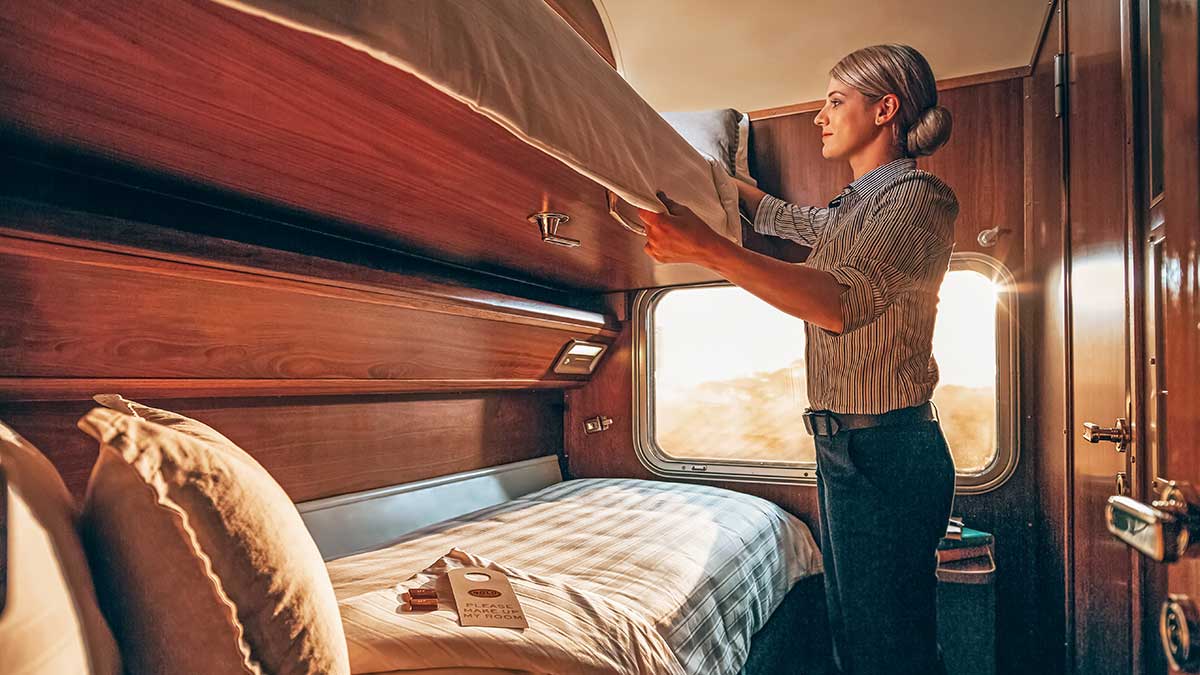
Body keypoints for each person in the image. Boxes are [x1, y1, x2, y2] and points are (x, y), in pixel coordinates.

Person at [637, 44, 958, 675]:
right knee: (859, 640)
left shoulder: (921, 198)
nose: (820, 116)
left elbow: (839, 303)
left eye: (837, 101)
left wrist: (710, 250)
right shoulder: (858, 203)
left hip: (889, 452)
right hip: (847, 449)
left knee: (888, 650)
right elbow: (807, 224)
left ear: (884, 108)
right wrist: (739, 195)